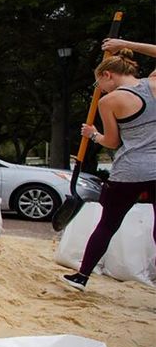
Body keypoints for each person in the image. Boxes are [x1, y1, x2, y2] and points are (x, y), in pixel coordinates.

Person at [62, 49, 155, 291]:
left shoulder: (109, 101)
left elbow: (112, 142)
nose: (99, 89)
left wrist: (93, 134)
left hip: (130, 171)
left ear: (108, 75)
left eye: (98, 83)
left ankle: (82, 276)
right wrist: (126, 43)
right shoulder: (153, 83)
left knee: (107, 225)